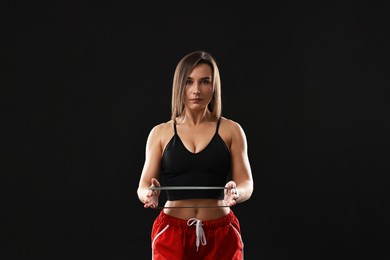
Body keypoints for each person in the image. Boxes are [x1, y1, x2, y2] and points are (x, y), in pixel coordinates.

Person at [137, 50, 254, 260]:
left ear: (214, 86)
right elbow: (144, 185)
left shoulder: (232, 130)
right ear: (179, 85)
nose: (196, 90)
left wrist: (236, 192)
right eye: (189, 82)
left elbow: (246, 182)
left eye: (205, 82)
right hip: (171, 233)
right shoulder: (160, 133)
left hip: (222, 232)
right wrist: (149, 194)